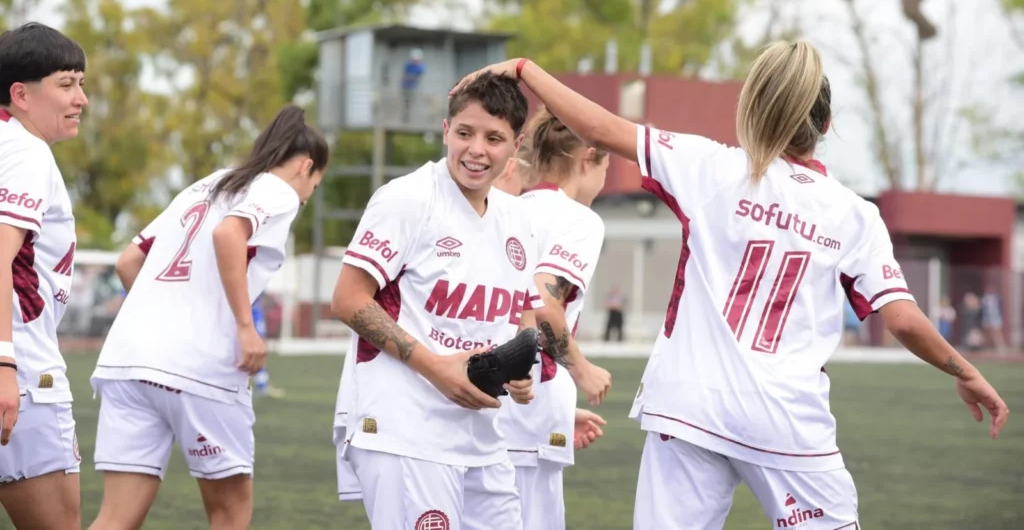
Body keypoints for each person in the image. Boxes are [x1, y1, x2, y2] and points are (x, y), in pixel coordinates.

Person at [455, 44, 1010, 529]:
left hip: (688, 409)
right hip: (788, 422)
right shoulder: (853, 215)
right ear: (828, 123)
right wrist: (966, 371)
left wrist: (528, 69)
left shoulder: (710, 167)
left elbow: (599, 128)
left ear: (755, 109)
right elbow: (905, 320)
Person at [330, 72, 604, 530]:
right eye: (464, 133)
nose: (476, 150)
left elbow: (520, 309)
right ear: (445, 131)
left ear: (515, 145)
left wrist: (519, 368)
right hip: (405, 429)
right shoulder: (408, 199)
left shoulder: (516, 218)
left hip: (482, 435)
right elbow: (347, 298)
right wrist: (434, 366)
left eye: (493, 138)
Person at [87, 105, 328, 530]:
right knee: (230, 512)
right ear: (307, 167)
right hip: (200, 367)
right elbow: (227, 233)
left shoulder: (208, 184)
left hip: (127, 362)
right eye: (315, 184)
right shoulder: (277, 190)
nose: (308, 195)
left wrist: (158, 318)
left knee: (115, 518)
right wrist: (243, 325)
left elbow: (128, 262)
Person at [493, 109, 611, 530]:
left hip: (488, 403)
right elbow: (543, 300)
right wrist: (581, 371)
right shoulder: (579, 220)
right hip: (529, 407)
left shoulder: (505, 208)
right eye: (605, 167)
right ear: (588, 158)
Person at [0, 22, 88, 530]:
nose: (81, 97)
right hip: (26, 373)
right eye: (67, 83)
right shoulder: (27, 151)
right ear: (21, 94)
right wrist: (5, 363)